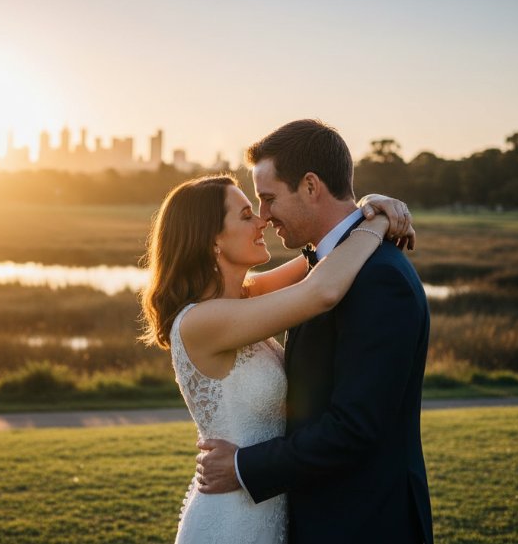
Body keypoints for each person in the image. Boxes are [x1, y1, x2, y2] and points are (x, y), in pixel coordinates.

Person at [140, 169, 415, 542]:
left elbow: (324, 253)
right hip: (232, 518)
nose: (263, 220)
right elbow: (322, 290)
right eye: (246, 215)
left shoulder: (244, 297)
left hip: (266, 505)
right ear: (211, 241)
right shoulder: (202, 321)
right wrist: (377, 224)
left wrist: (366, 209)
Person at [193, 119, 434, 543]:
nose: (264, 217)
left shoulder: (379, 280)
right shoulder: (325, 271)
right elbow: (318, 288)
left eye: (267, 199)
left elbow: (354, 427)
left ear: (310, 186)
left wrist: (242, 466)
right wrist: (373, 216)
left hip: (365, 524)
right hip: (316, 519)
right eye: (252, 208)